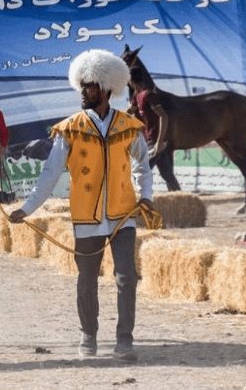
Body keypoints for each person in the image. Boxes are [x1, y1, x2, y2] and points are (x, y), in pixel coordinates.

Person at [9, 49, 154, 362]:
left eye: (88, 87)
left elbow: (143, 165)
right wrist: (28, 208)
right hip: (86, 217)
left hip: (123, 215)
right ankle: (88, 335)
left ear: (104, 89)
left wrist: (145, 196)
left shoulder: (128, 126)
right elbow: (50, 172)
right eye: (82, 86)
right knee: (87, 279)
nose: (83, 92)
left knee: (126, 277)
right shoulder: (70, 129)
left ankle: (124, 339)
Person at [127, 67, 180, 191]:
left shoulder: (149, 95)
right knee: (168, 175)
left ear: (131, 80)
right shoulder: (137, 95)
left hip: (156, 141)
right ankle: (183, 201)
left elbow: (164, 116)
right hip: (150, 141)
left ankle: (143, 204)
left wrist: (159, 143)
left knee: (140, 172)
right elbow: (130, 111)